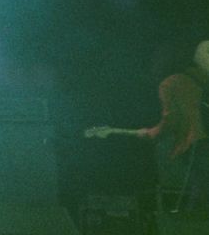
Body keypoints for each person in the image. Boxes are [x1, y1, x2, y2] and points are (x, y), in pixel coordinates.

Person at [85, 40, 209, 212]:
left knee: (196, 200)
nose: (153, 64)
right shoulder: (200, 79)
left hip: (198, 146)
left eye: (157, 59)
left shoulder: (172, 83)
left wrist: (149, 133)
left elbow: (170, 122)